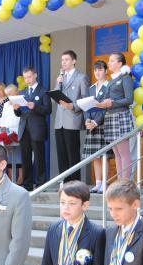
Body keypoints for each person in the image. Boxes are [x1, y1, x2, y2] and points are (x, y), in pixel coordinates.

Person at [96, 53, 134, 180]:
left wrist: (112, 103)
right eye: (109, 60)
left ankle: (125, 182)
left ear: (120, 63)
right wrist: (99, 103)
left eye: (112, 60)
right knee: (117, 154)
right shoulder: (111, 80)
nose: (109, 63)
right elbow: (106, 98)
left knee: (124, 153)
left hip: (121, 116)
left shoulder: (125, 78)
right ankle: (120, 181)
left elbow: (129, 99)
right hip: (110, 117)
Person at [13, 66, 52, 191]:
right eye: (25, 78)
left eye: (29, 77)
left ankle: (41, 184)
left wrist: (35, 106)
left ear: (35, 75)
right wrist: (16, 109)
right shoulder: (22, 92)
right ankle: (27, 184)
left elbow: (48, 110)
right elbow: (19, 114)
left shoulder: (43, 91)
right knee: (25, 158)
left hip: (37, 129)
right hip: (24, 129)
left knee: (39, 157)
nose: (27, 80)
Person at [53, 50, 89, 183]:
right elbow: (54, 99)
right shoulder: (60, 78)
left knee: (72, 154)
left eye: (66, 59)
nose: (63, 62)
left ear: (74, 61)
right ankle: (65, 183)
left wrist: (72, 106)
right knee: (61, 155)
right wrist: (58, 83)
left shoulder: (81, 77)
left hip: (73, 120)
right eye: (62, 60)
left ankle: (75, 184)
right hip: (59, 122)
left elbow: (85, 100)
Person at [83, 60, 109, 193]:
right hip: (91, 125)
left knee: (104, 155)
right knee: (95, 156)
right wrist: (88, 120)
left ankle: (105, 183)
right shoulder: (91, 88)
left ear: (106, 71)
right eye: (95, 70)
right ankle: (98, 183)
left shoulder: (109, 86)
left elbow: (106, 108)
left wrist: (96, 122)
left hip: (103, 124)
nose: (97, 72)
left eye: (100, 70)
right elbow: (87, 106)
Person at [0, 84, 23, 185]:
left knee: (20, 155)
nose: (8, 96)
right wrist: (3, 129)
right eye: (7, 94)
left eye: (10, 93)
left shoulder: (21, 102)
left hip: (19, 131)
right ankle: (10, 177)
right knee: (9, 154)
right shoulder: (6, 104)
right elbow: (3, 118)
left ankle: (21, 178)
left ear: (16, 93)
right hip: (8, 132)